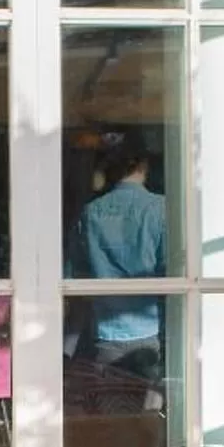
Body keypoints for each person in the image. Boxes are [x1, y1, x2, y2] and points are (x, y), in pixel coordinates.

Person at [75, 132, 169, 373]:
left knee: (110, 396)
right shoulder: (160, 208)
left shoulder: (90, 212)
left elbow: (76, 271)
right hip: (150, 328)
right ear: (143, 165)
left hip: (104, 330)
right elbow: (170, 269)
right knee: (147, 397)